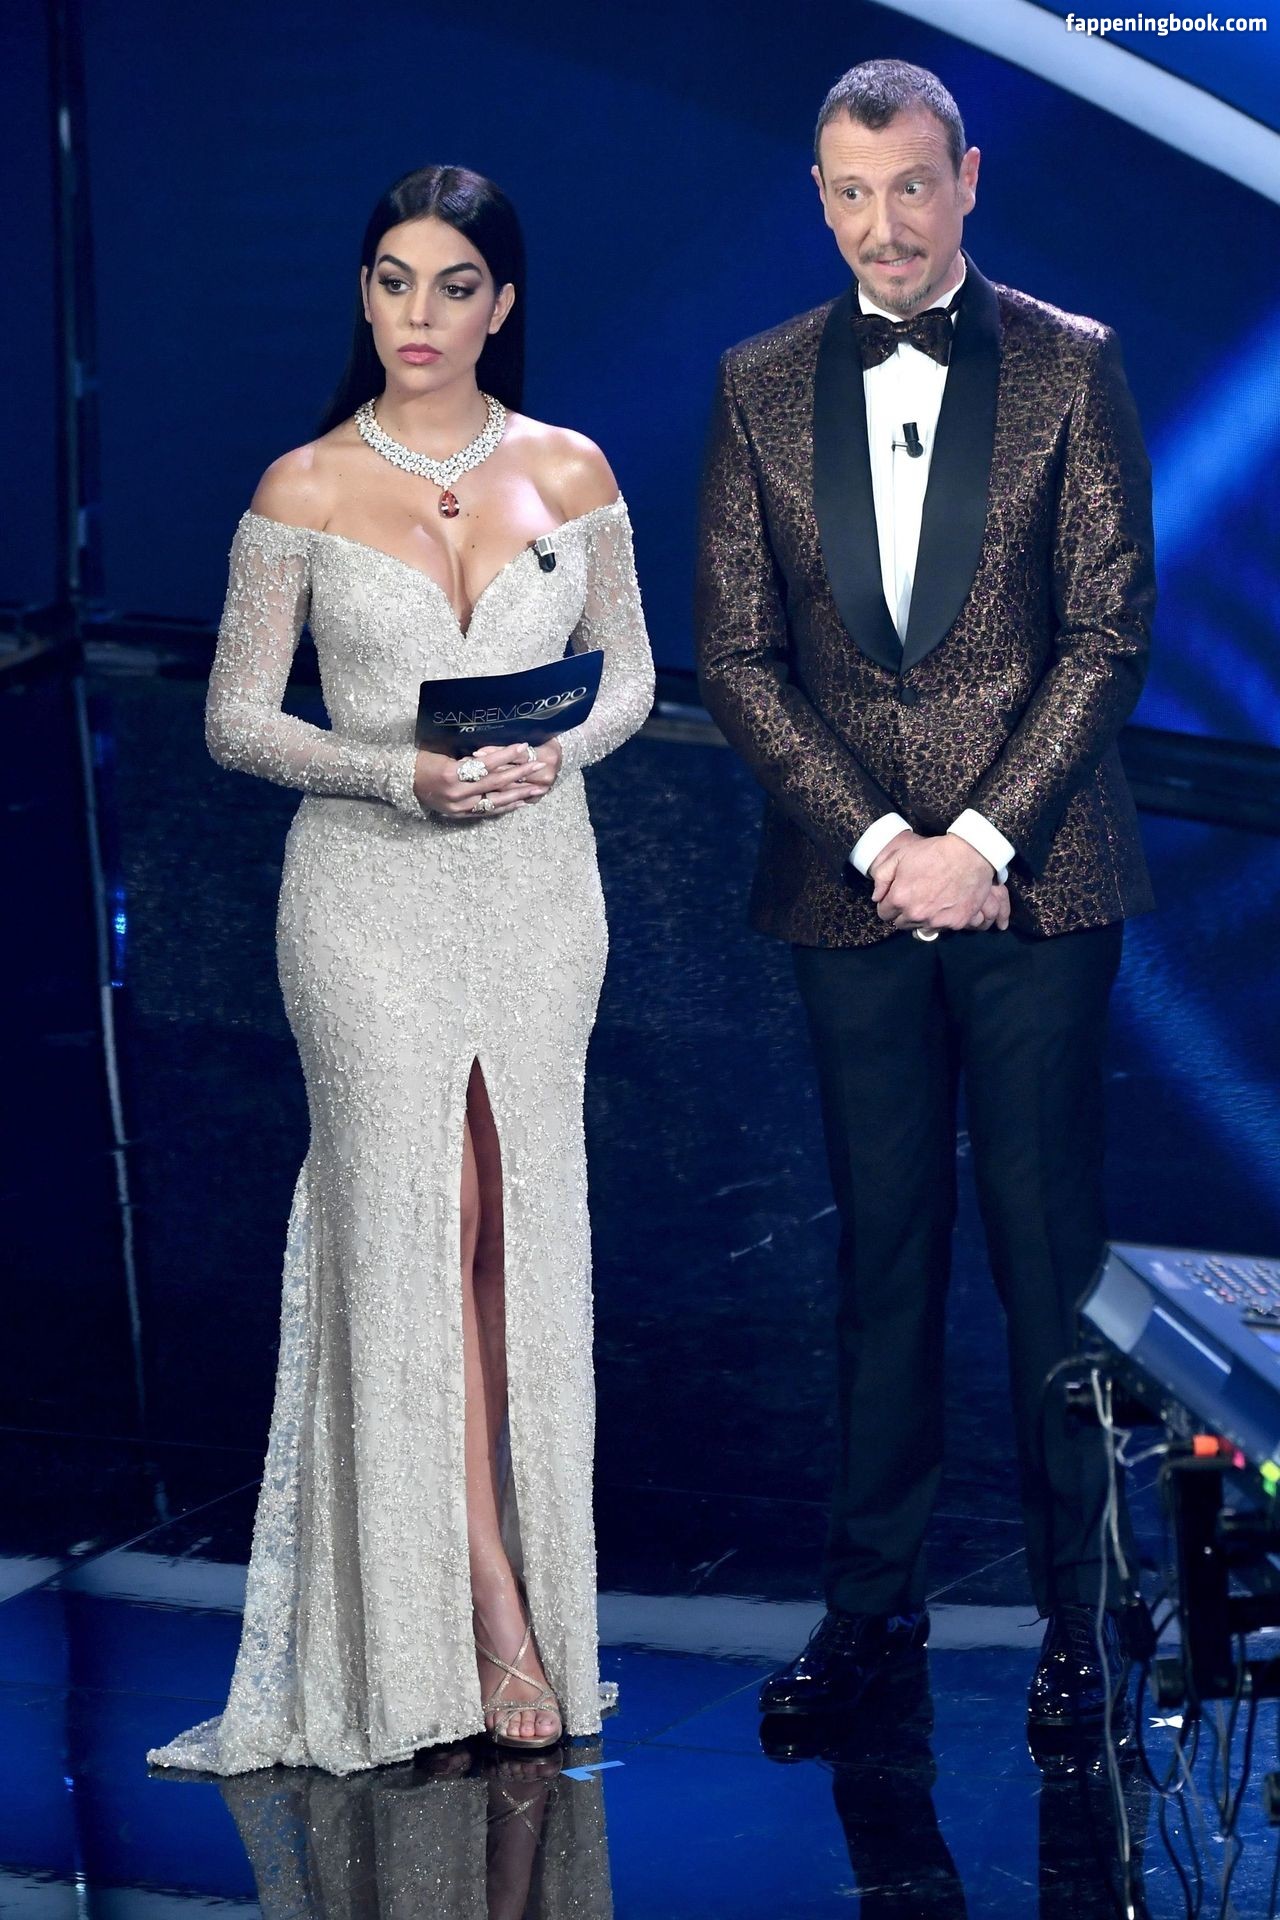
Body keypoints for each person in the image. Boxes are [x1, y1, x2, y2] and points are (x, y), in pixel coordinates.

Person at [147, 165, 654, 1776]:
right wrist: (394, 774)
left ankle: (509, 1572)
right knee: (419, 1228)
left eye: (451, 285)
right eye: (390, 279)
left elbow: (633, 676)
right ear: (362, 294)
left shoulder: (571, 469)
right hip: (367, 902)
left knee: (510, 1235)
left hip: (539, 895)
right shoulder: (302, 486)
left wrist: (563, 751)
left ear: (503, 303)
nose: (416, 315)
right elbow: (237, 719)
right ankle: (484, 1605)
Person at [695, 60, 1154, 1743]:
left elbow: (1107, 631)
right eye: (849, 191)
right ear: (819, 197)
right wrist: (886, 843)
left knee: (1050, 1262)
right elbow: (738, 655)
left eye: (908, 185)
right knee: (883, 1259)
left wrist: (983, 843)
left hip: (1041, 888)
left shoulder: (1071, 362)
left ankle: (1084, 1625)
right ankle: (868, 1612)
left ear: (967, 179)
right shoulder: (756, 382)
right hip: (851, 893)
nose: (881, 223)